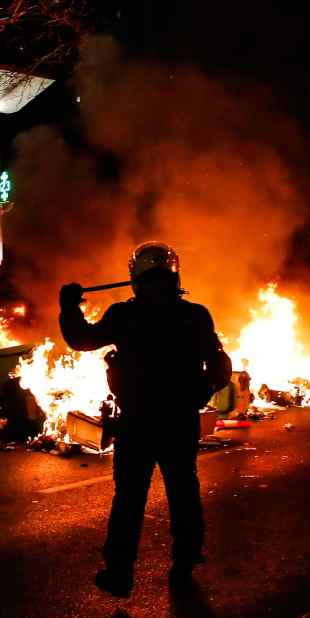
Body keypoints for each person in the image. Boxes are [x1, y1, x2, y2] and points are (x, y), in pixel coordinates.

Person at [58, 242, 231, 598]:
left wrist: (69, 307)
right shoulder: (195, 315)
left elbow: (82, 339)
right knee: (183, 490)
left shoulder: (125, 315)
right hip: (178, 421)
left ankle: (120, 571)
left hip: (137, 423)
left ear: (134, 278)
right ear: (175, 275)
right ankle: (185, 559)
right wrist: (200, 393)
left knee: (129, 500)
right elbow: (220, 366)